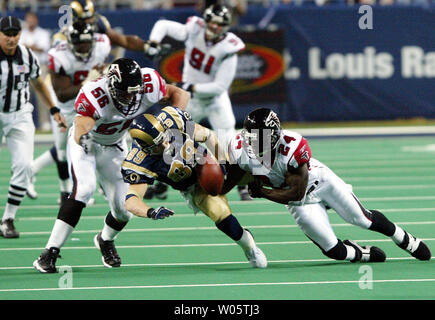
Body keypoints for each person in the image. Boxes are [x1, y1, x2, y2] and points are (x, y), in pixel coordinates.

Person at [33, 58, 190, 273]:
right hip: (87, 143)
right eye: (125, 92)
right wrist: (83, 135)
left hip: (115, 145)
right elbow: (81, 124)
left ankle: (105, 239)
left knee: (125, 209)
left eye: (134, 92)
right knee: (84, 190)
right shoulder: (94, 92)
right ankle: (49, 252)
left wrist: (172, 123)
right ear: (112, 84)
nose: (130, 97)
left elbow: (180, 95)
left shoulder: (149, 82)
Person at [222, 107, 432, 263]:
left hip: (319, 183)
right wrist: (210, 190)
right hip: (301, 204)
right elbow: (229, 180)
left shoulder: (292, 146)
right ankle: (361, 253)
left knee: (363, 219)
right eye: (252, 137)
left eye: (261, 138)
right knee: (335, 251)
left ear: (275, 135)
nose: (255, 143)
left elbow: (296, 193)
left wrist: (262, 192)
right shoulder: (241, 149)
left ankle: (403, 238)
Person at [121, 106, 267, 268]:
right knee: (220, 213)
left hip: (208, 164)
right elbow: (131, 200)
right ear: (145, 147)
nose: (165, 144)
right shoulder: (138, 161)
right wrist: (151, 212)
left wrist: (223, 163)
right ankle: (249, 246)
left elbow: (208, 136)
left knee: (261, 170)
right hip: (192, 186)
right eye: (157, 144)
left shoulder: (172, 119)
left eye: (163, 138)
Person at [145, 3, 252, 201]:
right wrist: (153, 42)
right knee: (173, 136)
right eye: (212, 22)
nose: (215, 27)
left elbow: (219, 86)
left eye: (220, 24)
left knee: (228, 140)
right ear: (206, 20)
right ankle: (161, 184)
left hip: (214, 99)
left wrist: (189, 85)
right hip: (191, 98)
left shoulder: (230, 46)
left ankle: (241, 185)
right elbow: (163, 26)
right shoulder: (194, 28)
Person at [27, 20, 111, 205]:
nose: (84, 47)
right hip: (64, 108)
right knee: (63, 152)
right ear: (71, 43)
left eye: (87, 43)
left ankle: (36, 172)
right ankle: (65, 192)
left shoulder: (101, 45)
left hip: (88, 106)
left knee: (92, 144)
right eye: (80, 44)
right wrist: (87, 82)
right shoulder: (59, 55)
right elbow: (62, 95)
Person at [0, 16, 67, 238]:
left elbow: (38, 83)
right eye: (7, 34)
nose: (11, 38)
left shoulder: (27, 55)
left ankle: (8, 219)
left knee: (24, 166)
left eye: (14, 34)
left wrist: (54, 110)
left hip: (20, 115)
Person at [19, 11, 52, 131]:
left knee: (42, 95)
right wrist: (31, 46)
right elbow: (19, 48)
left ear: (36, 20)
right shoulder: (21, 33)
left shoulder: (43, 33)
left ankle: (45, 122)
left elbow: (43, 48)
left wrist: (28, 46)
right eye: (28, 19)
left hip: (40, 66)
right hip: (23, 67)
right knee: (23, 95)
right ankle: (23, 123)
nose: (30, 21)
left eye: (32, 19)